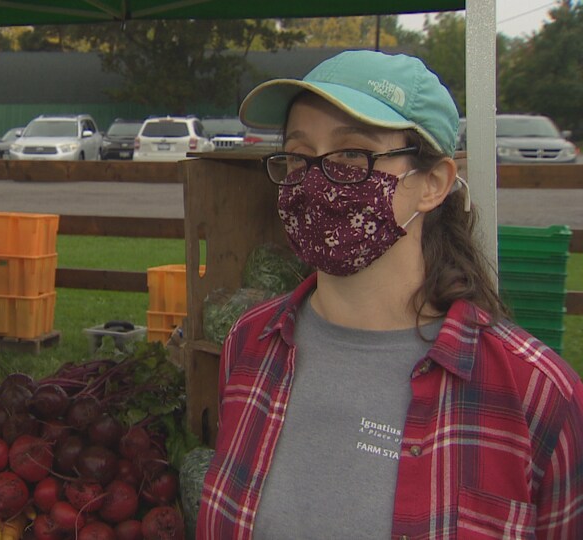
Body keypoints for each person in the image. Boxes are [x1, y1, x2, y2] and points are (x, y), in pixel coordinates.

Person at [198, 50, 583, 539]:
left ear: (433, 184)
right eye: (299, 156)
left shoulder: (537, 396)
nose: (316, 181)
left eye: (352, 155)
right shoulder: (249, 345)